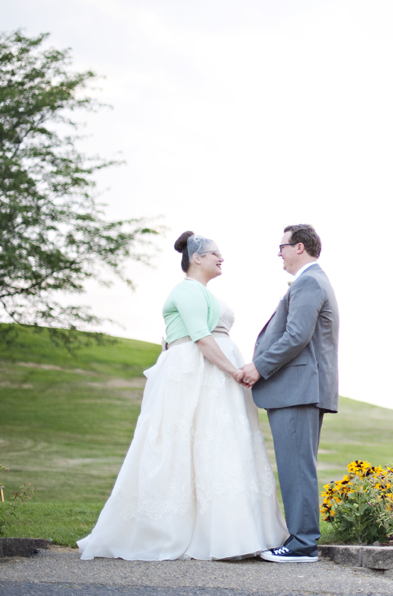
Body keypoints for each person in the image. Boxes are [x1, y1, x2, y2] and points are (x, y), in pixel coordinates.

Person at [78, 232, 287, 561]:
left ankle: (235, 533)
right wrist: (233, 371)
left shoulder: (202, 292)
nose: (222, 258)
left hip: (212, 376)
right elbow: (200, 338)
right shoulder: (187, 290)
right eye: (215, 253)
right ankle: (188, 533)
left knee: (219, 444)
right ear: (197, 258)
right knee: (188, 443)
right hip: (196, 374)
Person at [240, 224, 339, 563]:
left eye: (281, 247)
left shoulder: (309, 281)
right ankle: (301, 540)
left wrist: (259, 366)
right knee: (297, 466)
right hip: (300, 390)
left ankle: (302, 545)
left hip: (298, 390)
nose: (279, 253)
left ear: (299, 247)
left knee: (297, 468)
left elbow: (297, 336)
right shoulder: (313, 281)